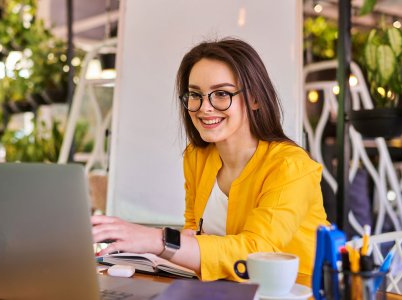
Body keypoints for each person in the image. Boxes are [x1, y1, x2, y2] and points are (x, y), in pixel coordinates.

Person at [91, 37, 329, 283]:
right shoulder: (197, 158)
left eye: (221, 94)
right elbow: (194, 233)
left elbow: (257, 252)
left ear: (255, 99)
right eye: (196, 95)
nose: (204, 107)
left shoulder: (291, 166)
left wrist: (156, 240)